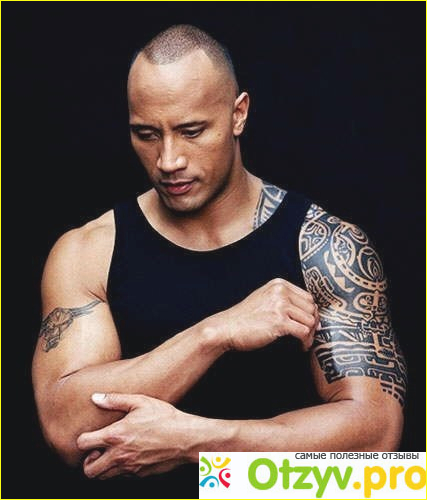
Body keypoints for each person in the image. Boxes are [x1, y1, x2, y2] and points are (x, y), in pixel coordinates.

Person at [32, 24, 407, 488]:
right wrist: (213, 334)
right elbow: (65, 430)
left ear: (238, 115)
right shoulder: (88, 251)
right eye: (146, 134)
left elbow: (377, 440)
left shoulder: (325, 247)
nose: (168, 160)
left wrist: (198, 444)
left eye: (191, 131)